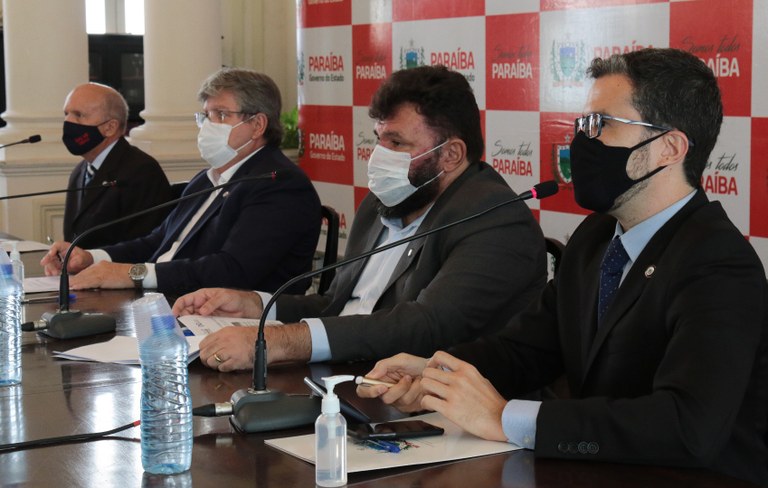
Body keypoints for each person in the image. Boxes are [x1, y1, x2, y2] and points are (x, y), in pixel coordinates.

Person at [357, 48, 768, 486]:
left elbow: (686, 427)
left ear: (669, 148)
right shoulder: (596, 237)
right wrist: (436, 373)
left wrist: (505, 417)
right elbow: (525, 350)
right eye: (584, 123)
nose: (581, 140)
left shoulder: (718, 264)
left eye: (602, 125)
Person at [172, 65, 547, 371]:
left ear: (451, 155)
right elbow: (339, 304)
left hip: (428, 398)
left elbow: (427, 326)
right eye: (379, 138)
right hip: (345, 372)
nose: (378, 155)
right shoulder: (383, 200)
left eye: (397, 143)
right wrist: (255, 305)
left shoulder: (495, 220)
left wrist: (280, 341)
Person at [42, 68, 321, 296]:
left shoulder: (279, 184)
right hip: (169, 300)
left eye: (221, 115)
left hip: (232, 321)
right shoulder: (207, 178)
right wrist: (91, 257)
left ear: (258, 125)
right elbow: (158, 240)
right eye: (206, 115)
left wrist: (133, 274)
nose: (208, 125)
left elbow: (233, 269)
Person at [61, 83, 172, 249]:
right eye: (66, 114)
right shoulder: (80, 171)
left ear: (110, 127)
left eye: (78, 115)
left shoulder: (142, 171)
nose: (68, 121)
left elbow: (146, 244)